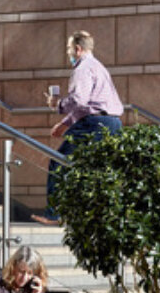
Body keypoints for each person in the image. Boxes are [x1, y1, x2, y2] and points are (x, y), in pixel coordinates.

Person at [41, 30, 124, 223]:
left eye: (69, 49)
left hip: (94, 124)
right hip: (113, 122)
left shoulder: (82, 69)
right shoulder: (99, 67)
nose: (68, 54)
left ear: (78, 49)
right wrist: (65, 123)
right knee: (98, 169)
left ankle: (55, 214)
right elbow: (88, 105)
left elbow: (79, 100)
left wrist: (58, 104)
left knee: (59, 161)